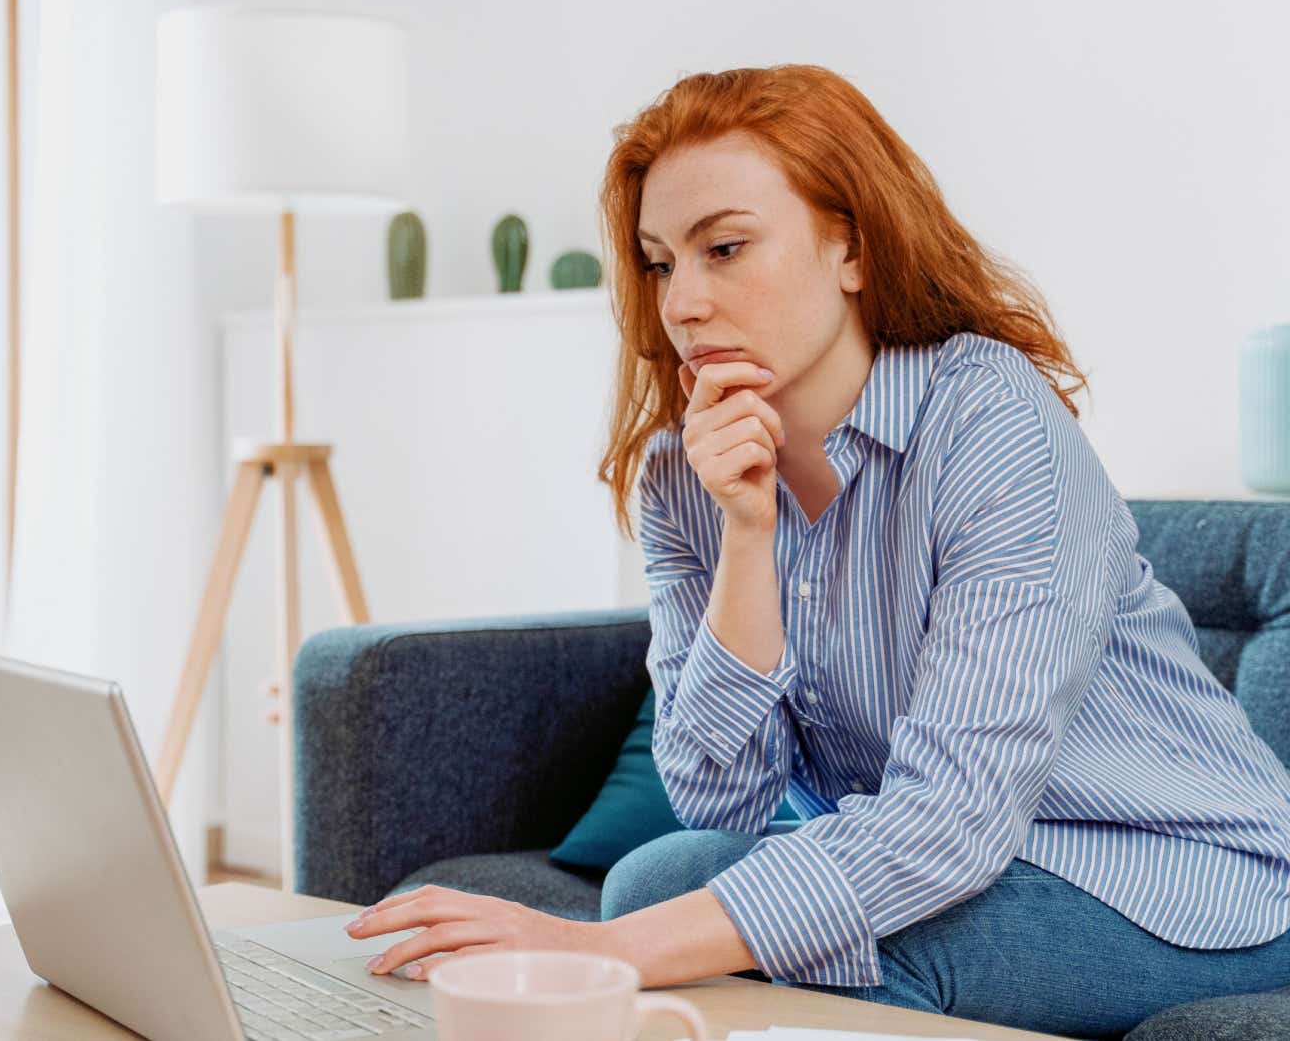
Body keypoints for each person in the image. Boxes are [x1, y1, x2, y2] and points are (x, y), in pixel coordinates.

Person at [346, 65, 1290, 1038]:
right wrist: (746, 535)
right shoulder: (683, 474)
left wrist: (597, 951)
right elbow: (724, 795)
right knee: (653, 876)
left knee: (850, 953)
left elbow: (950, 818)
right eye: (662, 261)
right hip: (987, 854)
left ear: (849, 245)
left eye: (725, 247)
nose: (683, 302)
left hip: (1181, 869)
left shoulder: (986, 414)